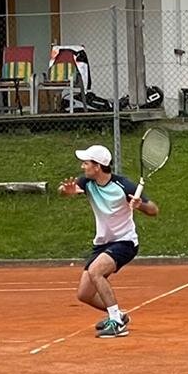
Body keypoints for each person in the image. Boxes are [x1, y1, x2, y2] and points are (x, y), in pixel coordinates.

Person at [58, 143, 159, 339]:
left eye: (86, 163)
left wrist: (140, 206)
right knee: (84, 294)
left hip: (125, 242)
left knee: (96, 272)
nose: (82, 167)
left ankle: (116, 323)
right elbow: (61, 189)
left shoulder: (124, 186)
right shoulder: (87, 183)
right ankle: (119, 315)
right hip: (102, 244)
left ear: (97, 167)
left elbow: (154, 210)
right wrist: (66, 191)